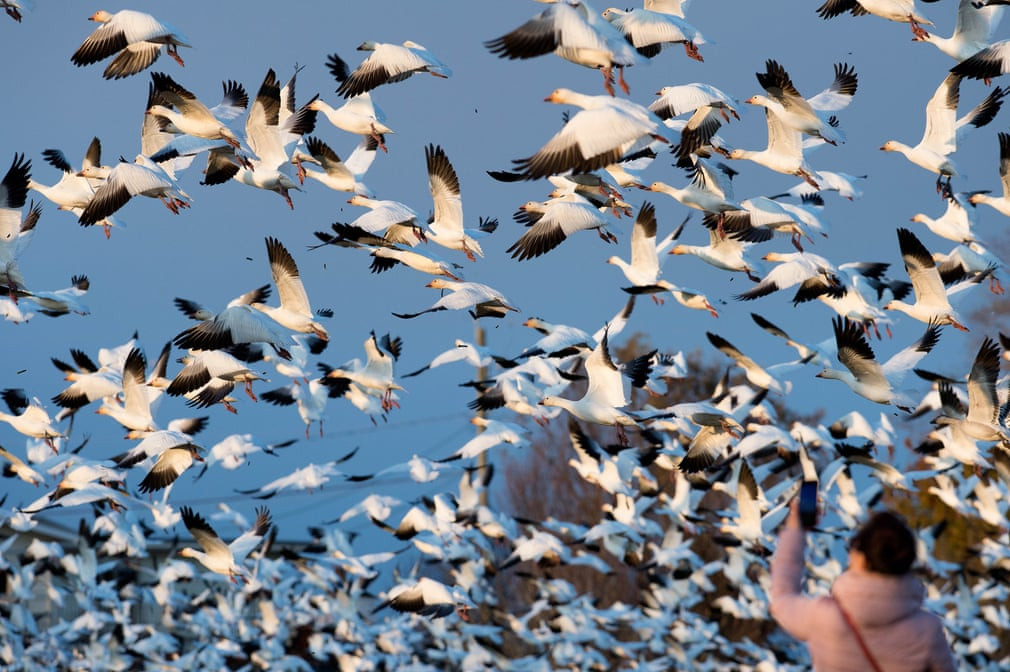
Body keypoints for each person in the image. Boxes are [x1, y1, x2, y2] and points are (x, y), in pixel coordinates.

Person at [769, 501, 957, 671]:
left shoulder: (825, 617)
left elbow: (782, 597)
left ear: (861, 559)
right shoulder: (927, 630)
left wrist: (796, 528)